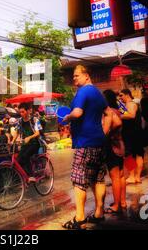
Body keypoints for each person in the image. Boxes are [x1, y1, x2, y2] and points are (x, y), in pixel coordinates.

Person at [62, 65, 109, 230]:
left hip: (85, 143)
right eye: (73, 76)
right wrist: (103, 132)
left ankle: (80, 218)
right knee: (98, 178)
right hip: (99, 142)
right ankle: (99, 213)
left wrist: (67, 117)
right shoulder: (97, 92)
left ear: (86, 76)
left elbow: (78, 113)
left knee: (79, 180)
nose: (74, 79)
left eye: (76, 76)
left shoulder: (83, 91)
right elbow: (110, 115)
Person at [102, 90, 127, 215]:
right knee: (121, 175)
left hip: (112, 145)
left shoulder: (109, 112)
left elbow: (117, 123)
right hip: (120, 144)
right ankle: (122, 202)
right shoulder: (118, 110)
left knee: (115, 177)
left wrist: (109, 133)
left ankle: (116, 205)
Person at [10, 102, 42, 182]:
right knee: (19, 160)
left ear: (28, 111)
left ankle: (31, 176)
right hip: (25, 144)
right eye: (20, 112)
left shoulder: (35, 120)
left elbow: (38, 133)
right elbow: (17, 131)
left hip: (35, 143)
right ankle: (22, 178)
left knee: (25, 156)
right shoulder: (20, 121)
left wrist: (29, 137)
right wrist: (12, 141)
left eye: (23, 112)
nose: (21, 114)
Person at [119, 89, 144, 184]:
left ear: (127, 95)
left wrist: (118, 115)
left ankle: (132, 176)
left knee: (129, 155)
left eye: (121, 95)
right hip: (136, 133)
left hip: (130, 134)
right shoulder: (129, 104)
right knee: (138, 154)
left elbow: (132, 115)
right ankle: (137, 177)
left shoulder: (130, 104)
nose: (120, 97)